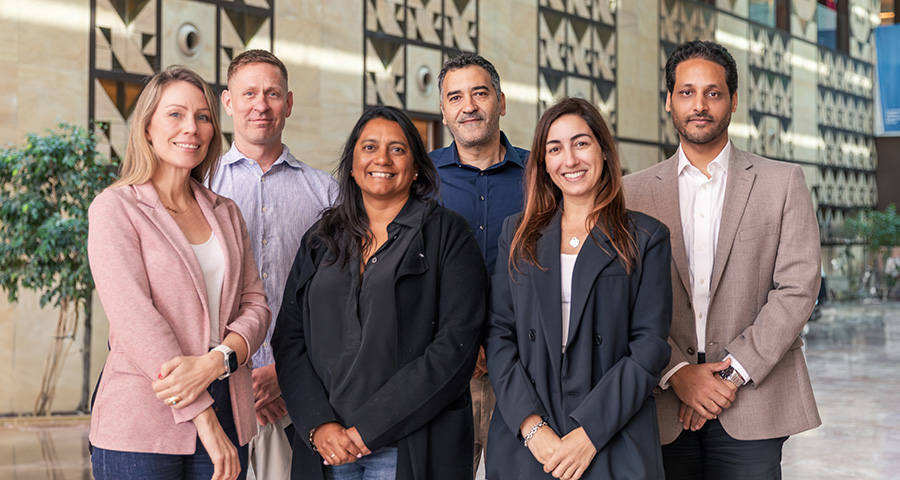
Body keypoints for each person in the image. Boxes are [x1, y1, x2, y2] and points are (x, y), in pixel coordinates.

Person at [623, 40, 822, 479]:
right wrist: (678, 373)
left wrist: (727, 378)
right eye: (687, 92)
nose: (699, 105)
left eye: (712, 93)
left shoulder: (782, 182)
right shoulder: (631, 192)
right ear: (669, 102)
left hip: (754, 401)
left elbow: (798, 287)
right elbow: (624, 295)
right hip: (660, 404)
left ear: (733, 101)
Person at [272, 106, 488, 479]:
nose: (382, 159)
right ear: (353, 165)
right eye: (369, 147)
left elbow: (456, 346)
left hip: (410, 445)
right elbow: (290, 338)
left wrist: (368, 429)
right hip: (327, 447)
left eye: (398, 149)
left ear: (417, 166)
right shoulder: (321, 238)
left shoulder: (448, 234)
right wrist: (318, 425)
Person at [87, 66, 270, 480]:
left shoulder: (226, 212)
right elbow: (135, 320)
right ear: (147, 126)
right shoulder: (116, 209)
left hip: (229, 405)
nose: (192, 127)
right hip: (141, 426)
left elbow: (256, 304)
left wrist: (216, 363)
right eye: (175, 114)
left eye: (203, 116)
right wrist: (203, 416)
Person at [485, 97, 673, 480]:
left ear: (603, 150)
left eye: (581, 143)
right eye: (554, 148)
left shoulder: (646, 236)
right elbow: (499, 334)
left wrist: (590, 433)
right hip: (529, 439)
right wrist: (532, 428)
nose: (569, 160)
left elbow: (650, 346)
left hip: (613, 434)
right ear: (543, 163)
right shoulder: (517, 234)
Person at [210, 49, 338, 480]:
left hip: (301, 393)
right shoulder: (199, 187)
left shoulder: (326, 194)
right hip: (215, 395)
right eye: (249, 93)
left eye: (272, 93)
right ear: (228, 102)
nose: (260, 105)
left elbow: (345, 299)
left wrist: (287, 373)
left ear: (289, 103)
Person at [430, 53, 528, 474]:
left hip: (525, 370)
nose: (468, 106)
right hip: (445, 371)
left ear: (501, 102)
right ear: (444, 110)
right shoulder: (420, 178)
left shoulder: (541, 174)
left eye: (479, 93)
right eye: (455, 96)